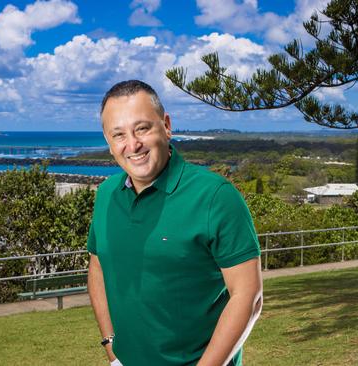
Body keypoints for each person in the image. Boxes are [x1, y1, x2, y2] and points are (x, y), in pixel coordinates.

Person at [87, 80, 263, 366]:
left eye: (142, 128)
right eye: (118, 134)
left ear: (166, 126)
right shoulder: (106, 194)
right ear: (109, 143)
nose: (133, 145)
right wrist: (111, 347)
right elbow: (98, 267)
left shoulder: (216, 196)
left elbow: (248, 297)